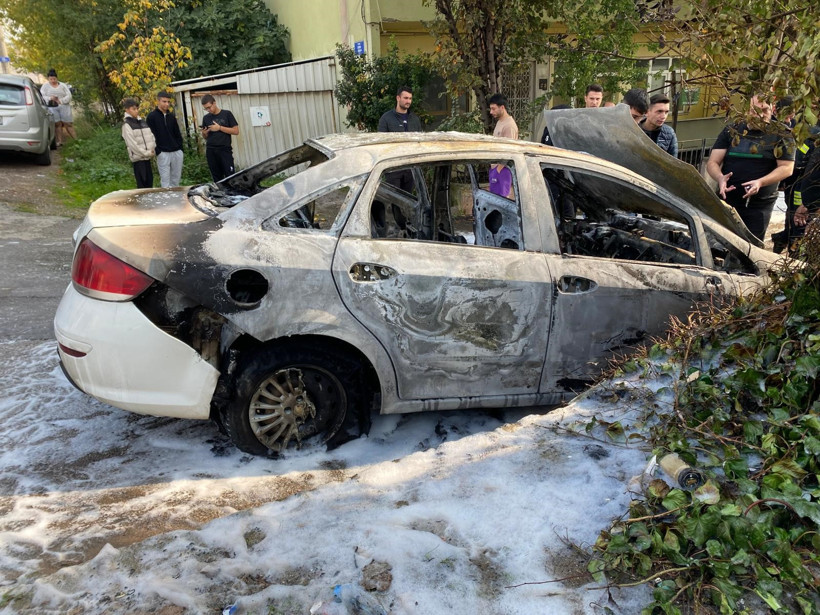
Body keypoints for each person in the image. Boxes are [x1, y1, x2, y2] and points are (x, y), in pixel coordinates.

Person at [706, 94, 795, 241]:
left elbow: (787, 168)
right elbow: (713, 162)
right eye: (754, 111)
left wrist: (760, 182)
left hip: (758, 205)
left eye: (764, 111)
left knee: (749, 247)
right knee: (718, 243)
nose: (759, 116)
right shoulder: (732, 130)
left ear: (772, 110)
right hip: (727, 199)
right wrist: (719, 178)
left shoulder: (782, 134)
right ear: (747, 110)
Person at [146, 91, 184, 188]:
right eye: (164, 101)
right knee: (165, 181)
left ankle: (175, 201)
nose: (167, 104)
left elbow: (177, 133)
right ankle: (167, 201)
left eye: (168, 102)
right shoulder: (151, 117)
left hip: (176, 151)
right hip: (163, 153)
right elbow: (150, 136)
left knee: (176, 179)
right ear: (158, 101)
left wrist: (180, 149)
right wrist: (158, 151)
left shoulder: (171, 116)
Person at [199, 95, 240, 182]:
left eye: (209, 107)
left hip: (224, 150)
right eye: (205, 109)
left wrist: (220, 128)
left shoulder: (227, 114)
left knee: (230, 176)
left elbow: (236, 131)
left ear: (214, 103)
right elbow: (205, 137)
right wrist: (204, 133)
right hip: (211, 150)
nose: (208, 110)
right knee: (217, 178)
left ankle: (233, 193)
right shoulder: (206, 118)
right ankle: (220, 194)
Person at [121, 98, 156, 189]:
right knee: (142, 186)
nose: (136, 111)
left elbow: (151, 136)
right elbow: (132, 145)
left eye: (137, 108)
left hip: (147, 158)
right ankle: (142, 203)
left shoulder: (143, 122)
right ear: (127, 110)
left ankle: (150, 202)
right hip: (138, 160)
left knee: (149, 184)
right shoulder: (127, 125)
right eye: (133, 109)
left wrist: (152, 150)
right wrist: (145, 153)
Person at [40, 69, 76, 146]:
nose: (53, 81)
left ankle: (76, 140)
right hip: (52, 107)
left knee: (68, 123)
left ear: (57, 78)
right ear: (48, 79)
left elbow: (69, 95)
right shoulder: (45, 86)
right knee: (57, 124)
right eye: (51, 79)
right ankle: (59, 141)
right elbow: (42, 96)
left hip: (64, 106)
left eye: (54, 79)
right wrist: (50, 98)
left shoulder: (63, 85)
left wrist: (61, 101)